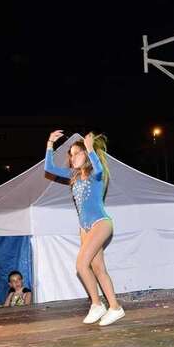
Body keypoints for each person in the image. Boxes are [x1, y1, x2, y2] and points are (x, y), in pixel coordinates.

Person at [44, 131, 124, 326]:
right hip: (84, 227)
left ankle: (97, 304)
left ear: (86, 155)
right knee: (98, 268)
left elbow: (98, 167)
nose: (72, 158)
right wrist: (50, 144)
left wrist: (90, 149)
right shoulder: (74, 175)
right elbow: (49, 167)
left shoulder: (96, 175)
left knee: (81, 265)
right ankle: (115, 307)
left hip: (100, 223)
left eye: (76, 154)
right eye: (70, 155)